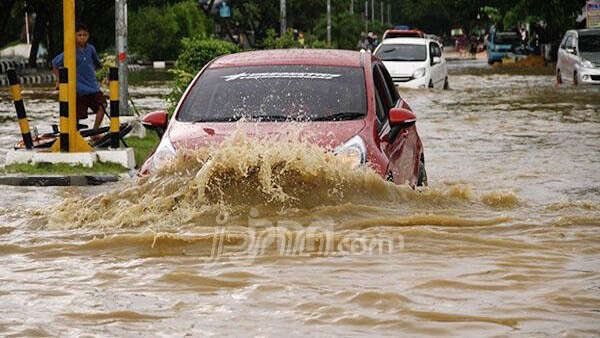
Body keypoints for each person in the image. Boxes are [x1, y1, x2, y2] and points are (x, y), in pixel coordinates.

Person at [52, 22, 106, 132]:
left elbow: (98, 65)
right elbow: (55, 64)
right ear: (75, 36)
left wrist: (105, 74)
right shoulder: (70, 51)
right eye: (79, 35)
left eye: (84, 35)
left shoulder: (91, 49)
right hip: (78, 89)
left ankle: (95, 131)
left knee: (103, 106)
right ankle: (73, 134)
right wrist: (58, 81)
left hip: (92, 87)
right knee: (75, 116)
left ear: (88, 36)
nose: (82, 38)